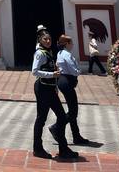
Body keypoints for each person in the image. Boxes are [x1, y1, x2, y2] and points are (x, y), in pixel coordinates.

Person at [32, 28, 78, 160]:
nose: (48, 41)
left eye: (49, 39)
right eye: (45, 39)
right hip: (42, 88)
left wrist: (55, 83)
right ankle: (38, 148)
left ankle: (63, 149)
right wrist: (52, 74)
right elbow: (34, 71)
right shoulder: (40, 53)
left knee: (62, 117)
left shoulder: (49, 52)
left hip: (50, 88)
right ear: (39, 40)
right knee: (41, 118)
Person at [50, 35, 89, 145]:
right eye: (71, 42)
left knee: (72, 110)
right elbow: (74, 70)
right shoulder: (67, 55)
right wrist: (79, 71)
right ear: (67, 44)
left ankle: (76, 135)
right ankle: (56, 127)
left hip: (63, 81)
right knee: (73, 111)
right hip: (67, 81)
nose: (72, 44)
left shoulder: (60, 53)